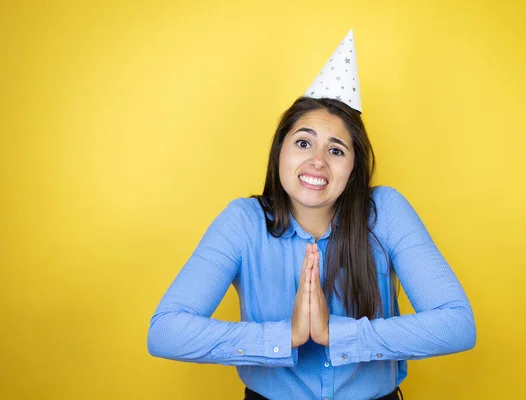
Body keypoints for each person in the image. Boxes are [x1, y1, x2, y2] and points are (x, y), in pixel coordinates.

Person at [147, 29, 476, 400]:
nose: (317, 161)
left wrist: (336, 334)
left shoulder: (385, 212)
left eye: (336, 150)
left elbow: (458, 324)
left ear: (354, 167)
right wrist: (283, 337)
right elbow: (165, 331)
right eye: (303, 143)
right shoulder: (242, 221)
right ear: (280, 153)